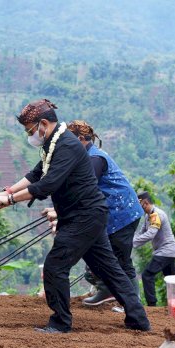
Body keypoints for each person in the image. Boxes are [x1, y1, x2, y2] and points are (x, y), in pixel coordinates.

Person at [0, 99, 150, 333]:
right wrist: (7, 191)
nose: (30, 135)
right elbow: (36, 174)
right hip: (88, 215)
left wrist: (11, 200)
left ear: (43, 123)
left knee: (55, 266)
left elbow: (48, 184)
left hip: (84, 217)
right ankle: (139, 320)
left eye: (30, 130)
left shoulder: (67, 145)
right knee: (109, 269)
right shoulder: (53, 144)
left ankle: (60, 323)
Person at [65, 120, 144, 306]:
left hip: (123, 214)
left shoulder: (94, 159)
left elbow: (86, 188)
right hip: (109, 215)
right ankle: (106, 289)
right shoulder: (87, 157)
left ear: (80, 139)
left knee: (122, 260)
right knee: (100, 253)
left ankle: (134, 303)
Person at [133, 191, 175, 307]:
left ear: (146, 203)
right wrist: (131, 241)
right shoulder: (148, 216)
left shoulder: (156, 215)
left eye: (140, 205)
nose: (139, 208)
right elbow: (142, 232)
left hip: (165, 251)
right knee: (172, 280)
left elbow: (150, 234)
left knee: (147, 275)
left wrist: (131, 243)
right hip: (168, 251)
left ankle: (151, 305)